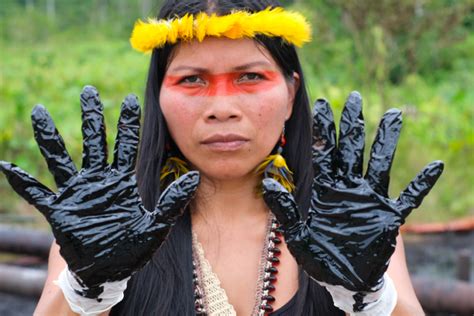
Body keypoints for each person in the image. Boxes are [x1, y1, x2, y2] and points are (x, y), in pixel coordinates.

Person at [0, 0, 444, 315]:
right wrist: (89, 286)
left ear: (290, 94)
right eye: (193, 80)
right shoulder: (106, 215)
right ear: (159, 96)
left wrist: (367, 296)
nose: (222, 107)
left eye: (250, 76)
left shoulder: (349, 217)